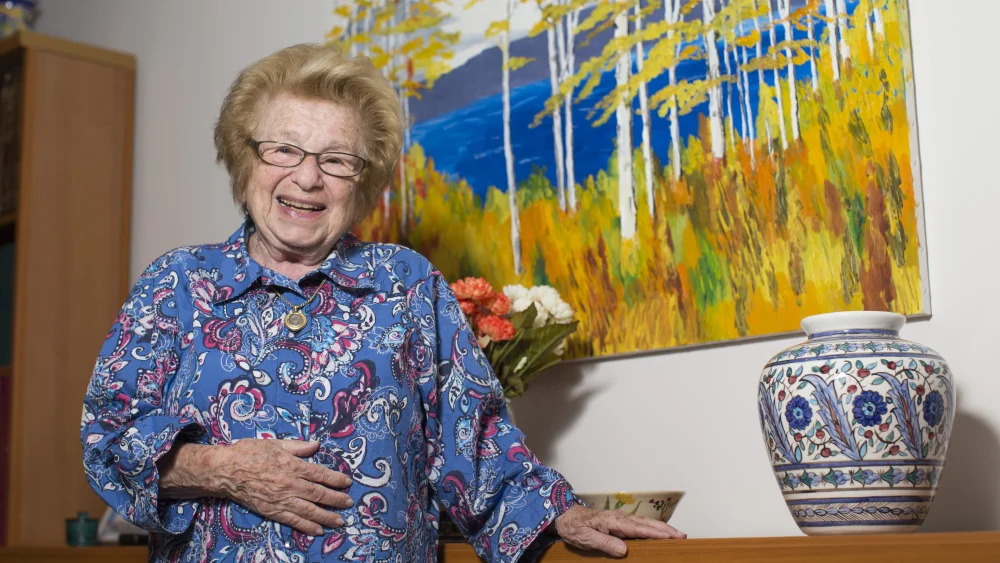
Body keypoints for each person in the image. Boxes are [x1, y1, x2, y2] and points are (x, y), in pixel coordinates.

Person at [80, 43, 685, 562]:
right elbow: (108, 439)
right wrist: (223, 470)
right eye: (283, 150)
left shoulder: (406, 284)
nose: (308, 178)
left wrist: (563, 514)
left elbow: (475, 445)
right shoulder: (177, 285)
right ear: (245, 162)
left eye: (336, 160)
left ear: (361, 182)